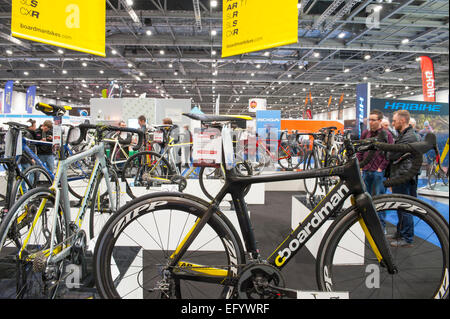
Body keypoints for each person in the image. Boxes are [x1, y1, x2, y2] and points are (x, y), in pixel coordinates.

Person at [386, 109, 419, 247]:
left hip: (404, 176)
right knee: (400, 206)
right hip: (400, 174)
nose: (393, 123)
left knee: (405, 207)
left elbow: (391, 155)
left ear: (402, 120)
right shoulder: (403, 135)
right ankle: (400, 232)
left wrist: (391, 153)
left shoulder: (410, 137)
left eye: (394, 120)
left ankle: (407, 237)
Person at [357, 109, 394, 231]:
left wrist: (381, 168)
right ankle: (367, 226)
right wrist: (361, 165)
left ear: (379, 120)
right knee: (364, 200)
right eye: (369, 120)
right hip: (366, 171)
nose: (370, 122)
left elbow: (389, 153)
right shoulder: (365, 134)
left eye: (373, 120)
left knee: (380, 200)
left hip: (378, 172)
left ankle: (380, 228)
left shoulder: (386, 134)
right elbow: (360, 150)